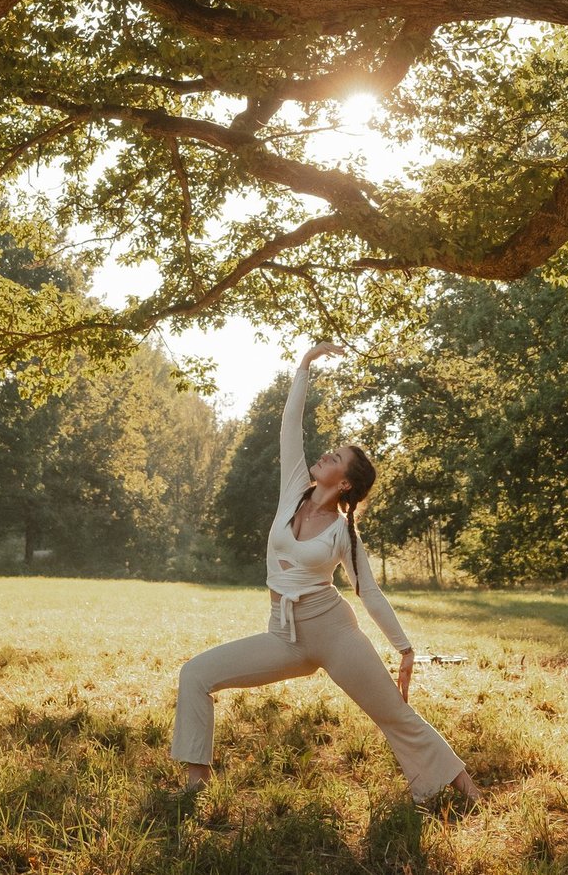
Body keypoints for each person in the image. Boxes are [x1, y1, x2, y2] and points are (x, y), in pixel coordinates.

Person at [171, 341, 481, 806]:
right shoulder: (294, 489)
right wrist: (304, 366)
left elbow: (369, 594)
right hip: (283, 633)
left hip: (334, 633)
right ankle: (195, 787)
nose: (324, 456)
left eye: (334, 457)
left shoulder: (344, 534)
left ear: (347, 482)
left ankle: (465, 791)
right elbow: (290, 428)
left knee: (393, 714)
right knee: (195, 674)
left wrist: (405, 649)